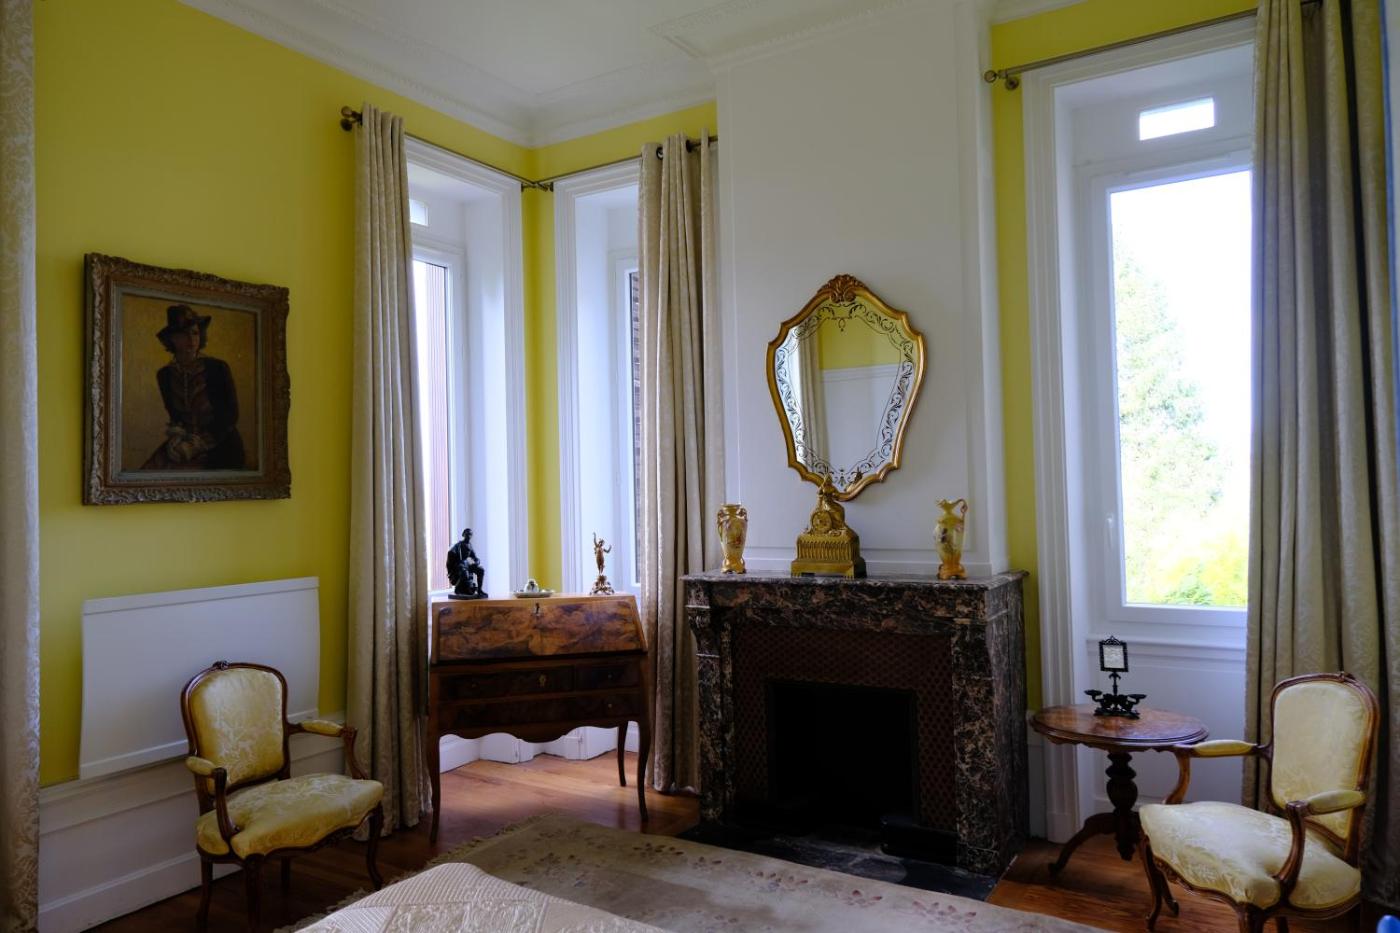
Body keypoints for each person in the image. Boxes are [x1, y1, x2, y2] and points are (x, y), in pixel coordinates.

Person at [140, 304, 245, 470]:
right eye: (184, 334)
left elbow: (230, 415)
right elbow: (176, 418)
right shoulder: (165, 375)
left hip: (220, 445)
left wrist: (200, 443)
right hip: (184, 444)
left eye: (195, 333)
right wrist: (176, 439)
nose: (191, 339)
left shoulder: (218, 368)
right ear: (172, 339)